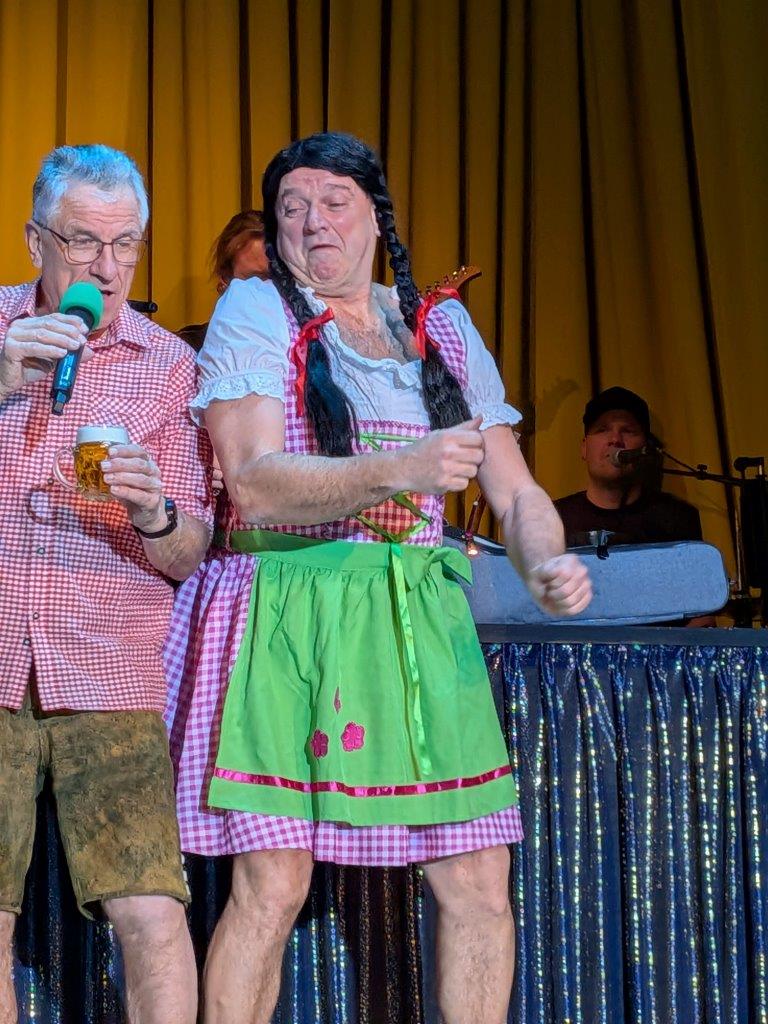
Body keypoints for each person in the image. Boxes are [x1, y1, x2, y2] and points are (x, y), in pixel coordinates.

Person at [164, 131, 591, 1024]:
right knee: (274, 880)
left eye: (334, 202)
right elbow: (254, 483)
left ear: (376, 217)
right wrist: (399, 469)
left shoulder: (440, 327)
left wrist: (546, 558)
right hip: (288, 610)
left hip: (416, 623)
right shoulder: (256, 310)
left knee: (478, 876)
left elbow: (516, 492)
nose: (312, 222)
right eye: (292, 208)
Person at [0, 144, 212, 1024]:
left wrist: (155, 511)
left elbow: (189, 552)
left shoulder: (168, 364)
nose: (108, 267)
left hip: (109, 666)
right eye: (84, 241)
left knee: (152, 912)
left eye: (126, 244)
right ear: (35, 241)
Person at [555, 386, 704, 546]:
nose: (615, 439)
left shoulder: (677, 518)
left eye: (628, 430)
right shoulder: (552, 519)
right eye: (602, 430)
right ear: (584, 448)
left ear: (645, 448)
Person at [177, 209, 268, 351]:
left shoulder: (303, 347)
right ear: (225, 280)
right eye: (255, 280)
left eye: (282, 279)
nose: (272, 290)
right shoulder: (184, 351)